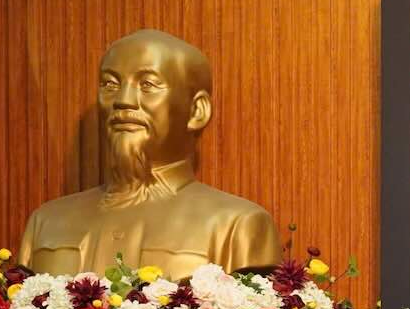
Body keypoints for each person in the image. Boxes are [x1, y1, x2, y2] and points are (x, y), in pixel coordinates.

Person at [18, 29, 280, 279]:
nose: (124, 99)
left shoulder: (236, 225)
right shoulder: (47, 222)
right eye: (110, 84)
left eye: (148, 84)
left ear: (196, 111)